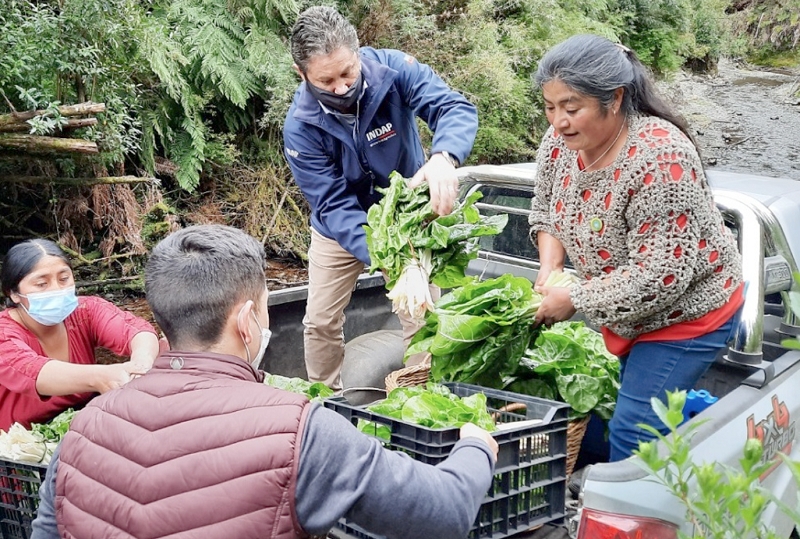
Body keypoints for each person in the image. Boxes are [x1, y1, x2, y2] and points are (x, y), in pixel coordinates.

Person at [32, 224, 497, 539]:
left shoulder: (81, 431)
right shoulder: (301, 430)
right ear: (248, 320)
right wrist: (477, 446)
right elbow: (445, 513)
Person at [528, 34, 744, 461]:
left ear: (615, 98)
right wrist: (548, 270)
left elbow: (661, 275)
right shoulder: (559, 144)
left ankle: (636, 517)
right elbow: (546, 210)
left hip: (688, 312)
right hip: (623, 305)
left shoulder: (660, 158)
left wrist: (573, 296)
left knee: (633, 428)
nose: (558, 121)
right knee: (614, 403)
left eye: (572, 108)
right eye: (550, 108)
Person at [283, 6, 479, 389]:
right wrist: (386, 255)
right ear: (301, 73)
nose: (341, 87)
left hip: (408, 216)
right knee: (320, 320)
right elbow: (332, 203)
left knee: (422, 313)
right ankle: (326, 400)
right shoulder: (299, 127)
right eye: (326, 81)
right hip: (339, 228)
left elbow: (452, 107)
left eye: (347, 73)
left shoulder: (395, 71)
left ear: (358, 53)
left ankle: (421, 394)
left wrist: (444, 156)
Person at [0, 239, 159, 431]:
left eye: (64, 278)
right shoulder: (4, 334)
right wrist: (102, 377)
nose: (57, 289)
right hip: (19, 445)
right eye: (42, 283)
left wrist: (141, 365)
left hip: (78, 426)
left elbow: (137, 331)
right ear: (14, 294)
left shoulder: (86, 311)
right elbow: (34, 372)